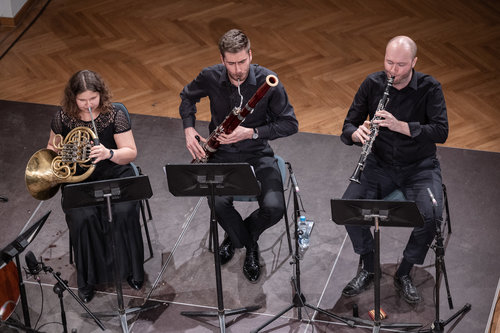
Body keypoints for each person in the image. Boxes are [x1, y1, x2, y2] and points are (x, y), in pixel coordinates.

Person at [179, 29, 298, 283]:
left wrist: (251, 133)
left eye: (242, 62)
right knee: (218, 203)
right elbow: (186, 98)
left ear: (250, 55)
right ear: (222, 60)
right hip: (221, 155)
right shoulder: (210, 76)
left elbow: (290, 124)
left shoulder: (269, 82)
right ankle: (248, 243)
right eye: (231, 63)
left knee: (275, 208)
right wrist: (189, 129)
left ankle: (239, 237)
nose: (237, 70)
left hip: (258, 154)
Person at [339, 36, 448, 304]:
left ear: (414, 62)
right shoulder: (372, 83)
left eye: (400, 65)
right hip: (380, 164)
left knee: (432, 216)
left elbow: (441, 131)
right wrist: (356, 134)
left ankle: (404, 272)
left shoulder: (429, 88)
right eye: (389, 62)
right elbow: (347, 127)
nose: (393, 70)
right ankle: (369, 265)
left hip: (419, 166)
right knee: (347, 207)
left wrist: (403, 126)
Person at [47, 70, 145, 303]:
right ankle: (87, 279)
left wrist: (108, 153)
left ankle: (133, 271)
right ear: (73, 98)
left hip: (115, 174)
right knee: (82, 219)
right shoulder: (62, 117)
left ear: (101, 94)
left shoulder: (115, 114)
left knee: (123, 212)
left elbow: (130, 153)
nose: (88, 105)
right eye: (82, 100)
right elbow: (51, 148)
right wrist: (59, 153)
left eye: (93, 99)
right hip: (80, 180)